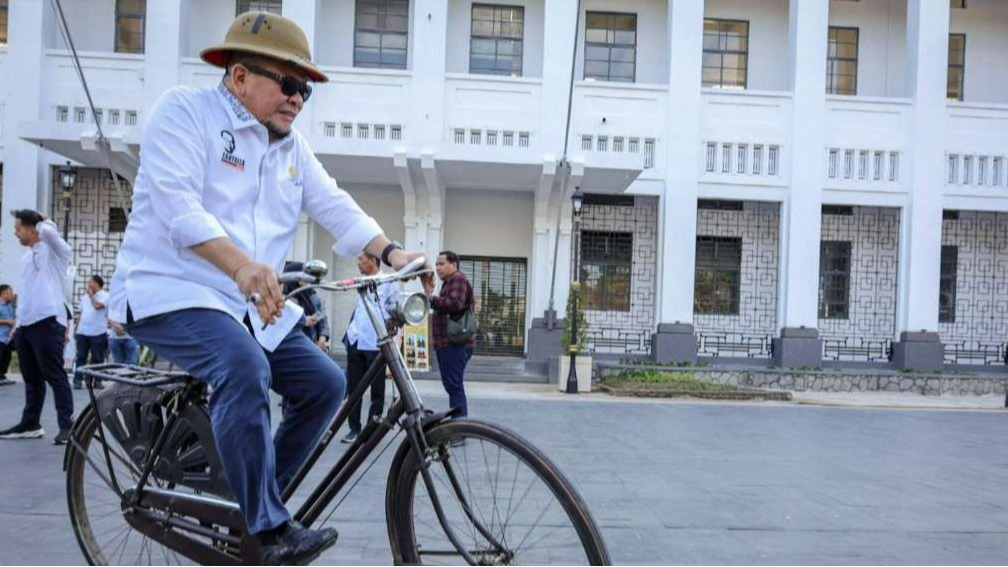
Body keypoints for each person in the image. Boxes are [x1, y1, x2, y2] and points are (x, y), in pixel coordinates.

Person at [109, 12, 432, 565]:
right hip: (170, 291)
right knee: (244, 368)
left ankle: (251, 505)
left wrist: (392, 252)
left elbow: (333, 203)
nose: (297, 99)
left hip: (246, 304)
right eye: (287, 84)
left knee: (325, 384)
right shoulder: (185, 113)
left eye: (304, 89)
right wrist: (239, 265)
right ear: (238, 77)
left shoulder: (290, 148)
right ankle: (268, 529)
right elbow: (177, 208)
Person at [0, 210, 74, 445]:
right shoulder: (26, 258)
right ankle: (31, 423)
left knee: (55, 375)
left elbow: (58, 243)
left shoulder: (53, 253)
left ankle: (68, 427)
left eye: (18, 228)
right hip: (26, 326)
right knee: (31, 378)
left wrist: (43, 221)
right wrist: (18, 325)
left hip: (48, 322)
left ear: (33, 230)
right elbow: (28, 294)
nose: (15, 232)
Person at [340, 251, 395, 444]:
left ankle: (372, 428)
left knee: (377, 389)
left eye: (361, 259)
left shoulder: (389, 282)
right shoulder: (359, 280)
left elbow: (392, 313)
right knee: (354, 388)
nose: (358, 263)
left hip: (376, 342)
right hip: (356, 340)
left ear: (373, 260)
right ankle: (354, 429)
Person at [427, 251, 475, 418]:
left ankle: (460, 429)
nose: (438, 268)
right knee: (452, 386)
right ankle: (459, 426)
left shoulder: (457, 279)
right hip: (448, 343)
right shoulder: (449, 282)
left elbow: (455, 304)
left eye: (442, 264)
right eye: (437, 264)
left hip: (455, 344)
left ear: (453, 264)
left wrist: (431, 300)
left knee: (454, 386)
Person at [282, 261, 329, 352]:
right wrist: (303, 320)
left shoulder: (312, 294)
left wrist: (322, 337)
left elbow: (322, 318)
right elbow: (282, 320)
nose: (307, 278)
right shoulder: (285, 297)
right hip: (293, 345)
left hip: (313, 343)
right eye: (302, 275)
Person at [73, 275, 109, 389]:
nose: (88, 284)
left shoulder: (106, 295)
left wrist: (92, 296)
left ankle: (97, 381)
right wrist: (76, 328)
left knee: (97, 358)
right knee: (81, 357)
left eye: (91, 282)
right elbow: (81, 313)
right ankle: (77, 380)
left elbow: (97, 306)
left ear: (97, 284)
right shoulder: (85, 297)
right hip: (82, 331)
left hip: (98, 332)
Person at [0, 284, 16, 386]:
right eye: (10, 292)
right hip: (0, 337)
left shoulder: (10, 306)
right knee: (1, 357)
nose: (12, 294)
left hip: (8, 337)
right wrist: (8, 322)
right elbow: (10, 321)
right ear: (4, 293)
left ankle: (2, 376)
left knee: (6, 357)